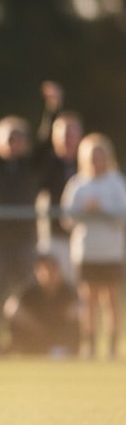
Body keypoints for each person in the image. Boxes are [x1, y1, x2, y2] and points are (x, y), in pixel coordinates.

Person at [0, 79, 58, 356]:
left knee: (26, 295)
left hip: (24, 239)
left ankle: (25, 342)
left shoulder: (30, 165)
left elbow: (46, 140)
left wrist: (52, 110)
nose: (15, 144)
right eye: (9, 139)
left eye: (19, 139)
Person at [61, 133, 126, 359]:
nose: (97, 161)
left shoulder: (116, 182)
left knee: (111, 300)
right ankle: (88, 344)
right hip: (86, 251)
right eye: (92, 157)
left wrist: (103, 211)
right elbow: (66, 219)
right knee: (87, 300)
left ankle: (112, 346)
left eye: (101, 156)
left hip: (110, 252)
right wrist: (84, 212)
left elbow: (123, 216)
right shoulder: (78, 184)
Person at [35, 82, 83, 281]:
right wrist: (53, 109)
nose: (67, 139)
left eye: (71, 134)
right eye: (63, 134)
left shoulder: (88, 163)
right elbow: (41, 146)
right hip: (53, 237)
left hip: (81, 237)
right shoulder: (47, 164)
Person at [3, 254, 79, 357]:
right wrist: (33, 324)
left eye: (53, 270)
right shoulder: (30, 290)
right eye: (45, 270)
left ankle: (68, 347)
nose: (49, 274)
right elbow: (10, 307)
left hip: (59, 332)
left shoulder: (67, 290)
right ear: (37, 272)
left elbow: (81, 308)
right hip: (35, 333)